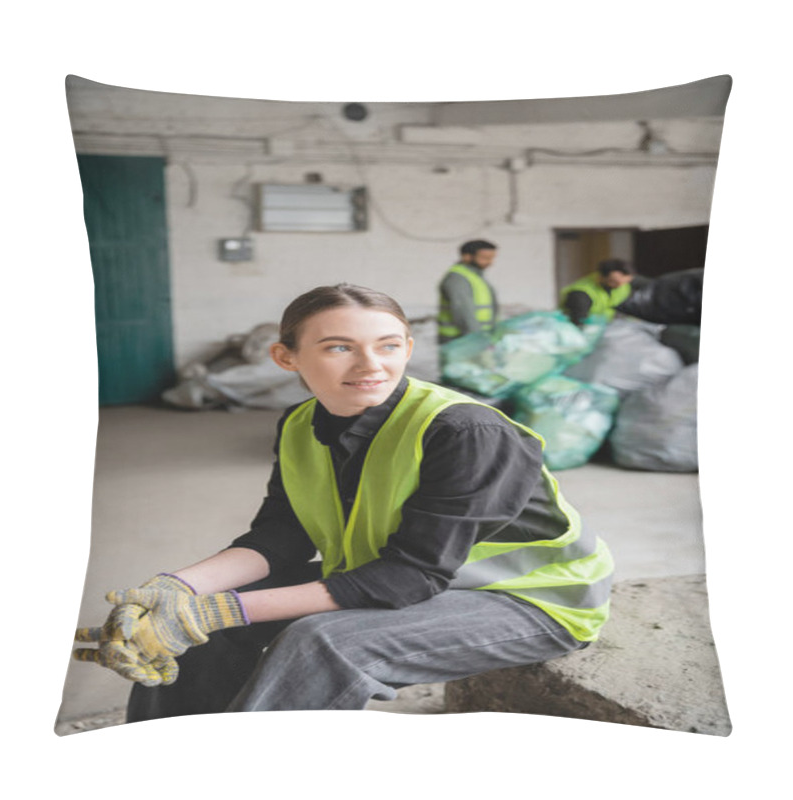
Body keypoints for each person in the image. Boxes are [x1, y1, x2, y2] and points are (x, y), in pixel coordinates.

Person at [73, 283, 613, 719]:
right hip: (401, 580)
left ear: (408, 348)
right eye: (338, 347)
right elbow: (279, 537)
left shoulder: (465, 430)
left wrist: (215, 611)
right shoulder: (300, 425)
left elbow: (409, 576)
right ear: (286, 357)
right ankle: (163, 763)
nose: (369, 364)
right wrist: (174, 589)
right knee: (203, 628)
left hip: (530, 602)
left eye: (389, 345)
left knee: (324, 642)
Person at [437, 240, 499, 343]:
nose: (490, 262)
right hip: (461, 341)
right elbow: (464, 312)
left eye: (492, 258)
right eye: (485, 258)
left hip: (475, 338)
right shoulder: (457, 279)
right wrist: (477, 340)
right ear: (467, 256)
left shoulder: (474, 277)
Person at [559, 258, 635, 327]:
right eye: (614, 282)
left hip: (605, 328)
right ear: (600, 277)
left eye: (625, 282)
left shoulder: (623, 285)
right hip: (581, 332)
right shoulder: (580, 294)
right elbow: (577, 324)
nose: (620, 286)